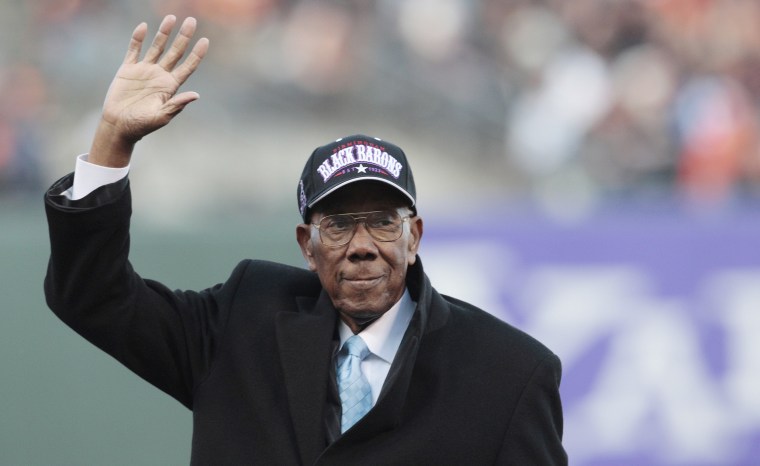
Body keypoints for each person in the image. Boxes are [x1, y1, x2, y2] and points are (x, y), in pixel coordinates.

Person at [43, 15, 567, 465]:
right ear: (306, 244)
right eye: (338, 225)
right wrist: (111, 140)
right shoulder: (242, 321)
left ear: (415, 237)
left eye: (383, 222)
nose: (362, 244)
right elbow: (94, 297)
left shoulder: (508, 373)